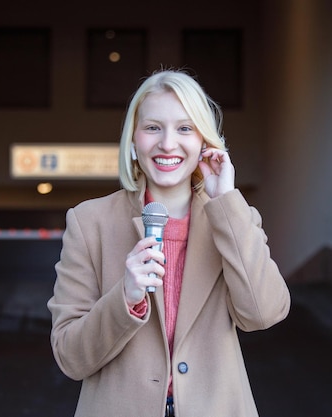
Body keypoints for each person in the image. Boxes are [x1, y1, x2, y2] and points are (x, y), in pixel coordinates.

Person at [47, 69, 291, 417]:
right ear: (133, 140)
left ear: (205, 141)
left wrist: (226, 202)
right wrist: (125, 298)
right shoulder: (90, 222)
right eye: (152, 127)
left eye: (185, 128)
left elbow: (264, 313)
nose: (167, 143)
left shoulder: (234, 217)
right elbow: (70, 357)